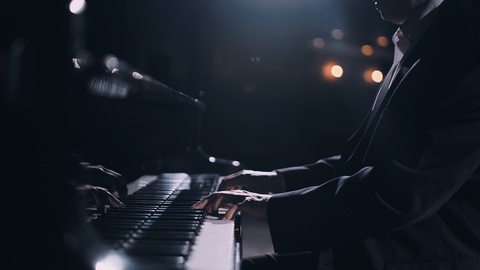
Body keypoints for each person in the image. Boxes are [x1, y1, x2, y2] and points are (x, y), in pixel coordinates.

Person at [192, 0, 480, 269]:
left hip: (420, 257)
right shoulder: (426, 35)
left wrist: (269, 206)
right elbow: (364, 162)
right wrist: (276, 181)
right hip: (378, 247)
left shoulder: (468, 44)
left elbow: (406, 191)